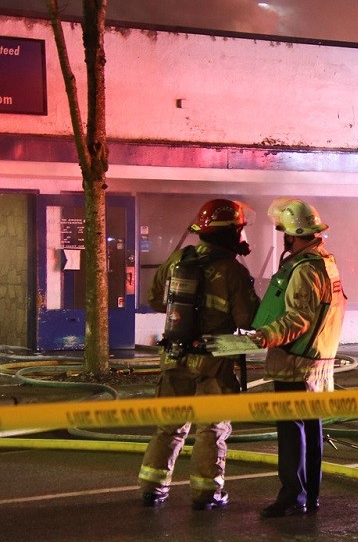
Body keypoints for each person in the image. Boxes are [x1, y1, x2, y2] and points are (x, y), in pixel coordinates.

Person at [138, 199, 259, 511]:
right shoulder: (231, 270)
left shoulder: (179, 258)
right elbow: (247, 319)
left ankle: (152, 488)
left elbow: (154, 298)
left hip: (174, 354)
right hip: (212, 362)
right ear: (230, 232)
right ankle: (207, 494)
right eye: (239, 229)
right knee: (211, 429)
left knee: (168, 426)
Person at [249, 198, 347, 518]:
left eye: (285, 234)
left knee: (292, 434)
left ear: (293, 235)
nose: (285, 239)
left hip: (296, 364)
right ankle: (310, 495)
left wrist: (264, 335)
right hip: (316, 363)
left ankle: (293, 496)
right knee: (311, 430)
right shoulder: (325, 263)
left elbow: (298, 320)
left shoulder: (304, 269)